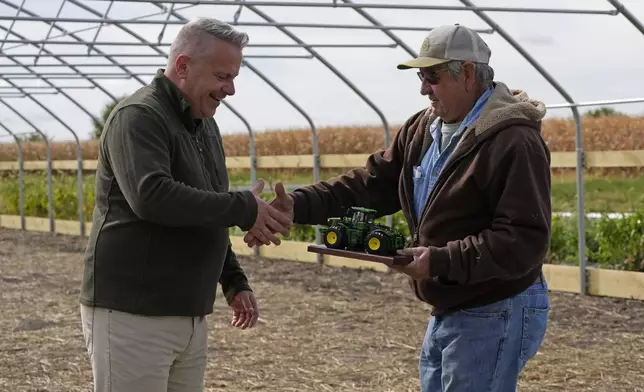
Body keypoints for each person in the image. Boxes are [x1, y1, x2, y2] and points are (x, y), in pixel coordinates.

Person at [246, 24, 552, 391]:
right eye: (421, 76)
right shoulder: (425, 129)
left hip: (495, 306)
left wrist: (439, 262)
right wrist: (299, 204)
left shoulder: (514, 142)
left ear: (468, 73)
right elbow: (369, 186)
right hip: (452, 303)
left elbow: (523, 240)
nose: (423, 87)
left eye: (432, 76)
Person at [78, 17, 292, 392]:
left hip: (188, 315)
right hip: (134, 314)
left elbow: (207, 207)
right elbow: (152, 196)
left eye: (234, 77)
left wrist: (233, 281)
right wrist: (244, 208)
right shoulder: (140, 117)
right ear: (182, 67)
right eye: (223, 76)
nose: (231, 89)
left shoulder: (204, 125)